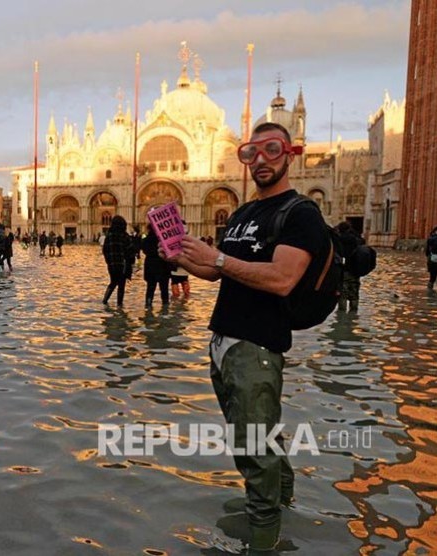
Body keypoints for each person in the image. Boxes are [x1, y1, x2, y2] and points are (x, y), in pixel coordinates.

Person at [165, 122, 329, 552]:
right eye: (249, 153)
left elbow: (282, 279)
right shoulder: (241, 214)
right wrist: (182, 257)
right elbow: (219, 273)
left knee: (252, 445)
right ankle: (279, 498)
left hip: (257, 347)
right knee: (260, 434)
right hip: (224, 340)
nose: (260, 160)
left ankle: (262, 536)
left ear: (289, 153)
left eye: (271, 149)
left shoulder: (299, 213)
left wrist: (217, 256)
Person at [102, 215, 136, 307]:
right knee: (121, 285)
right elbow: (131, 251)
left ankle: (105, 300)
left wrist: (108, 261)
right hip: (123, 265)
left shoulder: (108, 236)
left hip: (112, 265)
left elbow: (105, 250)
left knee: (113, 282)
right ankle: (119, 305)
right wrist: (132, 263)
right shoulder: (125, 236)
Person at [141, 224, 172, 308]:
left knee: (150, 289)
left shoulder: (145, 240)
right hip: (163, 267)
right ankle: (165, 309)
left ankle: (148, 306)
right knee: (164, 290)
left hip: (151, 267)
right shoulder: (165, 240)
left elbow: (144, 250)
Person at [336, 221, 363, 312]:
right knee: (354, 294)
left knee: (342, 294)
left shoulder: (338, 240)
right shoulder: (356, 240)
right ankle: (353, 313)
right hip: (356, 270)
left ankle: (342, 315)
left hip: (343, 271)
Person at [427, 226, 437, 290]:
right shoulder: (432, 239)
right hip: (433, 260)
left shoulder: (431, 238)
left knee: (432, 277)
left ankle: (430, 289)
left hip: (432, 259)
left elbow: (427, 252)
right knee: (432, 277)